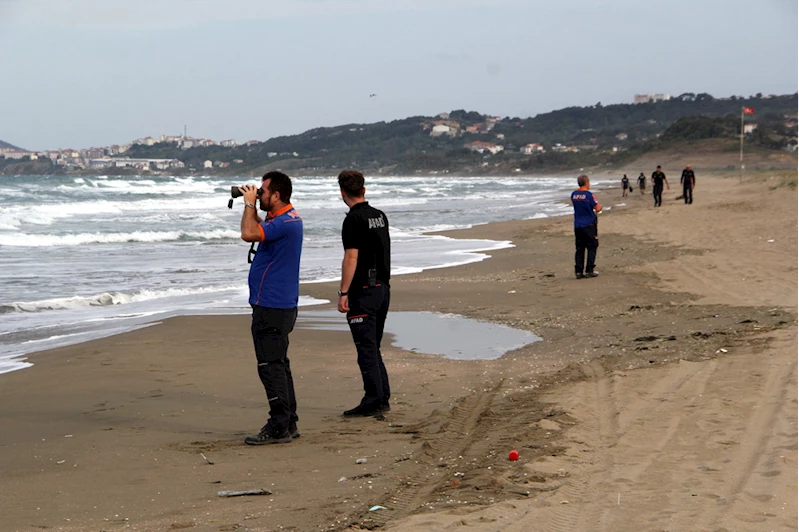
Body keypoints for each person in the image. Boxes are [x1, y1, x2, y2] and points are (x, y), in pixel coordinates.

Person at [239, 171, 303, 445]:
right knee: (279, 364)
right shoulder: (284, 219)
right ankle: (288, 422)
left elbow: (248, 233)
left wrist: (249, 205)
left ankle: (279, 425)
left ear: (276, 195)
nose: (259, 195)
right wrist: (254, 204)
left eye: (263, 192)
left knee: (270, 366)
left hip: (272, 305)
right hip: (279, 303)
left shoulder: (285, 223)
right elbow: (257, 231)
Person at [337, 170, 392, 417]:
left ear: (342, 192)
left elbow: (351, 257)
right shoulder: (379, 216)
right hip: (383, 288)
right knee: (374, 346)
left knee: (366, 349)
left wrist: (343, 292)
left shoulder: (353, 220)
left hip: (365, 291)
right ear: (364, 189)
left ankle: (373, 399)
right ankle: (382, 397)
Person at [571, 174, 602, 279]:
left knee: (579, 248)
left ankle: (578, 271)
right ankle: (589, 270)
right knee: (592, 246)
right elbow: (597, 208)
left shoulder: (574, 195)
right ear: (587, 183)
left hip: (578, 225)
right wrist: (600, 206)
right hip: (589, 225)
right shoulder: (589, 195)